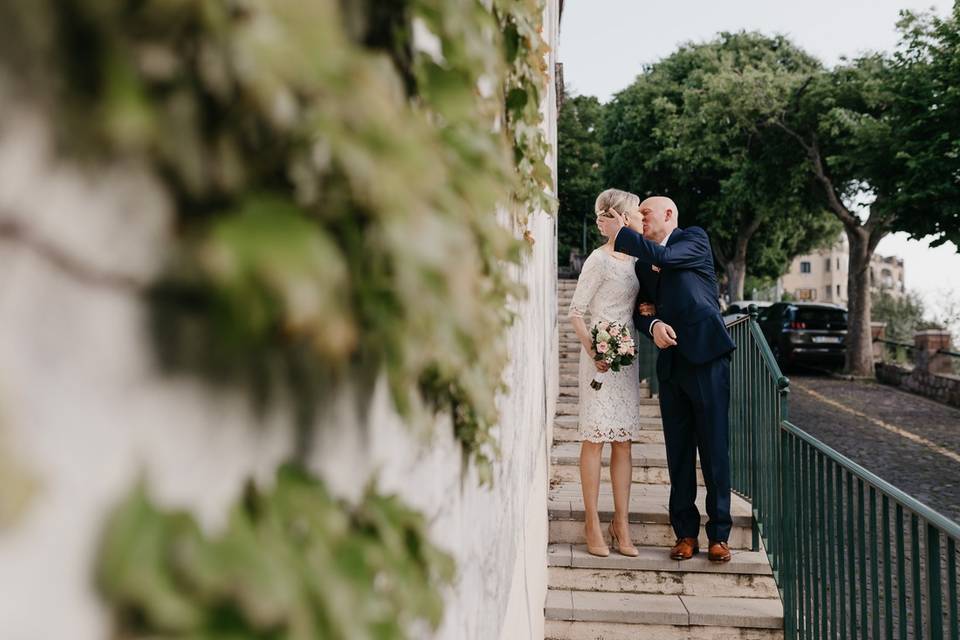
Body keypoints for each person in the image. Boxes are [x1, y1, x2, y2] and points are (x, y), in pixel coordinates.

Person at [597, 195, 736, 563]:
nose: (640, 218)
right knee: (678, 453)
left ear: (669, 214)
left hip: (707, 359)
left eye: (646, 213)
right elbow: (640, 311)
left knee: (714, 451)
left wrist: (622, 232)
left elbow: (669, 259)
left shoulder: (693, 239)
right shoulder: (644, 262)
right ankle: (685, 534)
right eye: (637, 214)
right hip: (672, 365)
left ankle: (720, 535)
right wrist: (653, 324)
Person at [567, 189, 645, 558]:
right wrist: (594, 349)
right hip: (597, 355)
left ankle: (622, 522)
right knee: (594, 438)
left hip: (627, 356)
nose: (639, 219)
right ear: (622, 217)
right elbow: (576, 312)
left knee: (623, 441)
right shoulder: (598, 261)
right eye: (635, 213)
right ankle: (592, 522)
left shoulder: (637, 258)